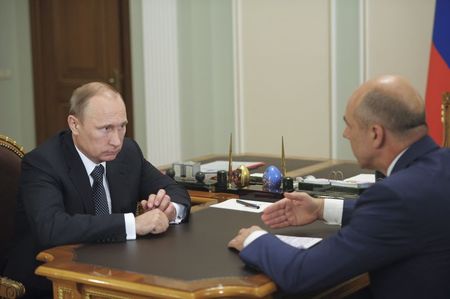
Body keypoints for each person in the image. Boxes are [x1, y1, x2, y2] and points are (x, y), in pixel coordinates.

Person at [228, 75, 450, 298]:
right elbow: (411, 214)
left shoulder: (395, 197)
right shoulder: (440, 166)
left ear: (376, 134)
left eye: (349, 125)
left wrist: (254, 239)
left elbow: (302, 274)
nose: (346, 134)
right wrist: (321, 208)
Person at [4, 82, 191, 298]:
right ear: (75, 124)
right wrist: (133, 223)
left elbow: (174, 190)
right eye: (106, 129)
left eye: (122, 126)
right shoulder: (42, 163)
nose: (116, 140)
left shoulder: (127, 152)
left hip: (115, 270)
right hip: (49, 280)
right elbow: (52, 228)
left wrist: (170, 209)